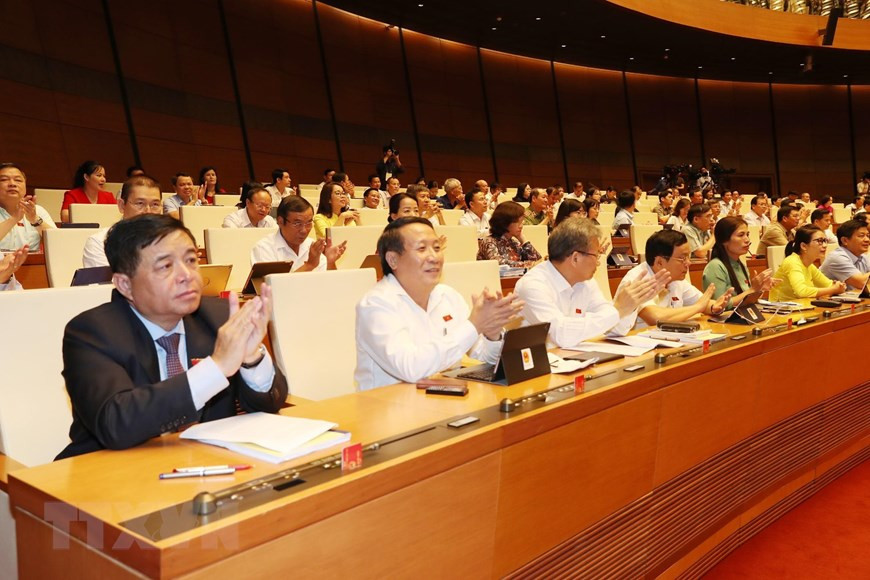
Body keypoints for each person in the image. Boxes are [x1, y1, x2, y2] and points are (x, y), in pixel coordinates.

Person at [57, 214, 289, 459]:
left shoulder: (218, 317)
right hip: (112, 475)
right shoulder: (92, 332)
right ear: (125, 285)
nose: (187, 275)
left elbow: (270, 403)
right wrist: (217, 367)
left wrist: (250, 359)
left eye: (191, 260)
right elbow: (115, 423)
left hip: (209, 466)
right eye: (166, 266)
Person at [354, 217, 522, 391]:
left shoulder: (447, 295)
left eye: (436, 248)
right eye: (421, 249)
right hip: (388, 407)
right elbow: (411, 369)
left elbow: (482, 357)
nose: (434, 257)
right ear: (393, 260)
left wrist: (491, 334)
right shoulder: (376, 305)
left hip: (446, 399)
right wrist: (474, 325)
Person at [515, 218, 668, 347]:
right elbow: (561, 335)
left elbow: (617, 330)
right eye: (596, 255)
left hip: (574, 361)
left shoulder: (586, 282)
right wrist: (618, 309)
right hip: (539, 372)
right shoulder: (533, 286)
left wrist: (632, 304)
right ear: (575, 258)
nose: (599, 263)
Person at [609, 230, 731, 336]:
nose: (689, 263)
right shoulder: (637, 279)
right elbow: (656, 317)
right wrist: (698, 308)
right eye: (682, 258)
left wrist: (714, 307)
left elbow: (703, 302)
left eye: (688, 257)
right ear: (659, 262)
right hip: (637, 347)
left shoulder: (676, 279)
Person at [84, 175, 164, 268]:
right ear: (122, 205)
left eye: (155, 204)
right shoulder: (99, 243)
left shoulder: (170, 241)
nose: (148, 211)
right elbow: (110, 282)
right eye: (140, 203)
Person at [251, 196, 346, 271]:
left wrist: (330, 262)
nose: (304, 230)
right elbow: (271, 289)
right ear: (280, 221)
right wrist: (310, 265)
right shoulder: (264, 248)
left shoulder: (312, 246)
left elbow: (329, 284)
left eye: (309, 223)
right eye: (297, 223)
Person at [702, 217, 776, 307]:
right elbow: (719, 305)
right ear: (725, 240)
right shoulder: (715, 266)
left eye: (747, 234)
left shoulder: (741, 265)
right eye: (741, 235)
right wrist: (752, 290)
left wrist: (760, 288)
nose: (747, 240)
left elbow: (746, 300)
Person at [770, 225, 846, 301]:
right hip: (781, 310)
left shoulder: (809, 265)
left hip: (802, 308)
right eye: (819, 241)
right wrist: (833, 289)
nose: (825, 245)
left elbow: (829, 284)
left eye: (825, 241)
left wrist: (839, 286)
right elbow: (801, 292)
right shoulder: (792, 262)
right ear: (803, 246)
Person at [0, 162, 56, 251]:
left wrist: (35, 220)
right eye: (4, 179)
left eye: (18, 180)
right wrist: (14, 219)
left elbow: (57, 241)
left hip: (31, 263)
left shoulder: (37, 210)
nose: (12, 184)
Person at [477, 201, 541, 268]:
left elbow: (537, 261)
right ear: (505, 223)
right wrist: (526, 264)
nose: (521, 226)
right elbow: (497, 263)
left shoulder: (514, 243)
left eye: (522, 222)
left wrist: (523, 240)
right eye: (518, 222)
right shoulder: (489, 241)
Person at [820, 219, 870, 292]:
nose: (867, 240)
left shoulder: (862, 256)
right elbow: (862, 283)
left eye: (868, 236)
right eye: (861, 236)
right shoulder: (837, 257)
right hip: (827, 301)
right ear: (845, 241)